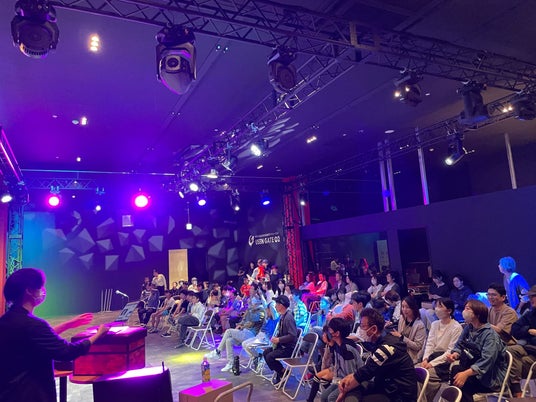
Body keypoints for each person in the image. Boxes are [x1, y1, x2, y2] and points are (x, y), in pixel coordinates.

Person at [0, 268, 109, 402]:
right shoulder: (33, 325)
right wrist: (98, 335)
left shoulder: (6, 321)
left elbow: (33, 339)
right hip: (32, 394)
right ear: (29, 291)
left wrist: (68, 324)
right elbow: (67, 351)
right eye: (40, 286)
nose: (43, 291)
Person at [336, 308, 418, 402]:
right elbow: (365, 371)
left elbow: (367, 371)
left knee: (352, 394)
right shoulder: (382, 340)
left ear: (374, 329)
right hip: (386, 386)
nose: (360, 330)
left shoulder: (387, 347)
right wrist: (348, 380)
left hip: (399, 395)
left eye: (363, 326)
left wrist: (347, 387)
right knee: (353, 389)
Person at [446, 299, 507, 402]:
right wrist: (455, 354)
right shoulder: (469, 328)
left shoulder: (490, 336)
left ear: (477, 314)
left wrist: (466, 374)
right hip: (472, 370)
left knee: (463, 380)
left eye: (467, 309)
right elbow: (459, 345)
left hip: (489, 377)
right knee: (456, 370)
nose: (464, 311)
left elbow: (486, 361)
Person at [308, 318, 363, 402]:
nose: (327, 333)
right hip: (340, 379)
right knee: (324, 396)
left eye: (330, 330)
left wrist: (342, 389)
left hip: (353, 382)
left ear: (337, 333)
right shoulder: (337, 345)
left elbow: (351, 375)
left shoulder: (347, 350)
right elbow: (336, 367)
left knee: (331, 398)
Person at [421, 298, 463, 402]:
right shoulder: (435, 324)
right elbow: (430, 344)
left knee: (423, 375)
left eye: (440, 306)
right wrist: (425, 359)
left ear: (449, 310)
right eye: (436, 306)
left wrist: (432, 364)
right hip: (432, 358)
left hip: (445, 363)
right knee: (415, 372)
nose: (436, 309)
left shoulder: (456, 327)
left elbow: (450, 351)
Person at [507, 285, 536, 397]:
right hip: (528, 348)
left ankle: (517, 394)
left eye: (533, 296)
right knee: (508, 352)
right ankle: (517, 392)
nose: (530, 299)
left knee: (512, 364)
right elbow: (514, 330)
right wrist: (528, 330)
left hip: (531, 351)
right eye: (530, 296)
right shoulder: (530, 313)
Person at [263, 295, 298, 386]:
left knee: (270, 357)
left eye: (277, 304)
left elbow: (293, 335)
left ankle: (282, 372)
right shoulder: (283, 316)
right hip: (282, 346)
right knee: (266, 353)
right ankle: (281, 372)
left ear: (281, 305)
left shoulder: (288, 318)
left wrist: (279, 339)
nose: (275, 306)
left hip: (288, 348)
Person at [391, 296, 426, 364]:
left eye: (407, 307)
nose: (404, 309)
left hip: (411, 354)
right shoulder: (402, 318)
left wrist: (401, 337)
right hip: (400, 348)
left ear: (413, 308)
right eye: (403, 307)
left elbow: (417, 346)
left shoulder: (420, 325)